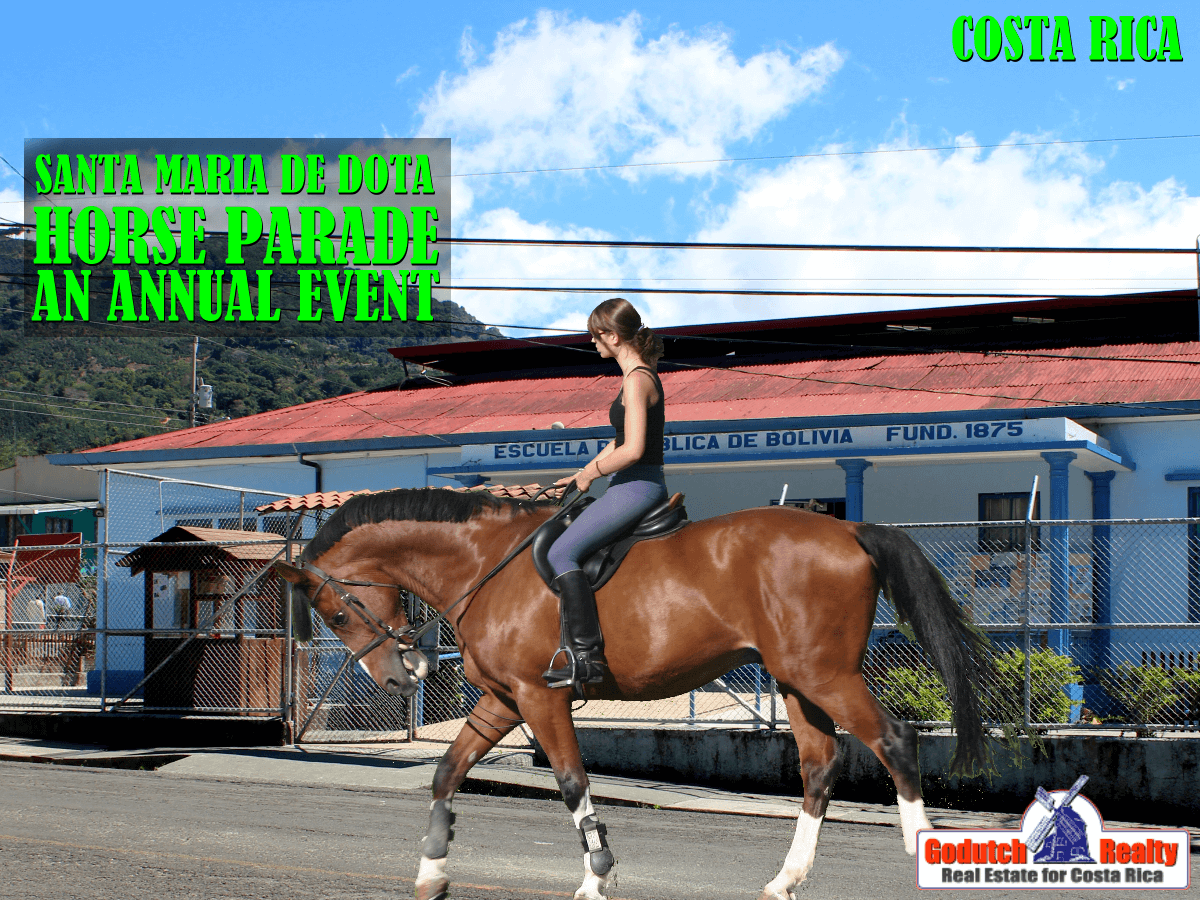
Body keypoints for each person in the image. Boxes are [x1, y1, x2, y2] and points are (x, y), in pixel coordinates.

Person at [545, 298, 668, 691]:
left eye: (595, 335)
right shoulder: (636, 376)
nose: (592, 342)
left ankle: (586, 658)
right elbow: (618, 442)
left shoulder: (636, 379)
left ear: (612, 336)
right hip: (626, 483)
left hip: (637, 486)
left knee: (560, 552)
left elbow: (632, 450)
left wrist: (595, 471)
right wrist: (584, 473)